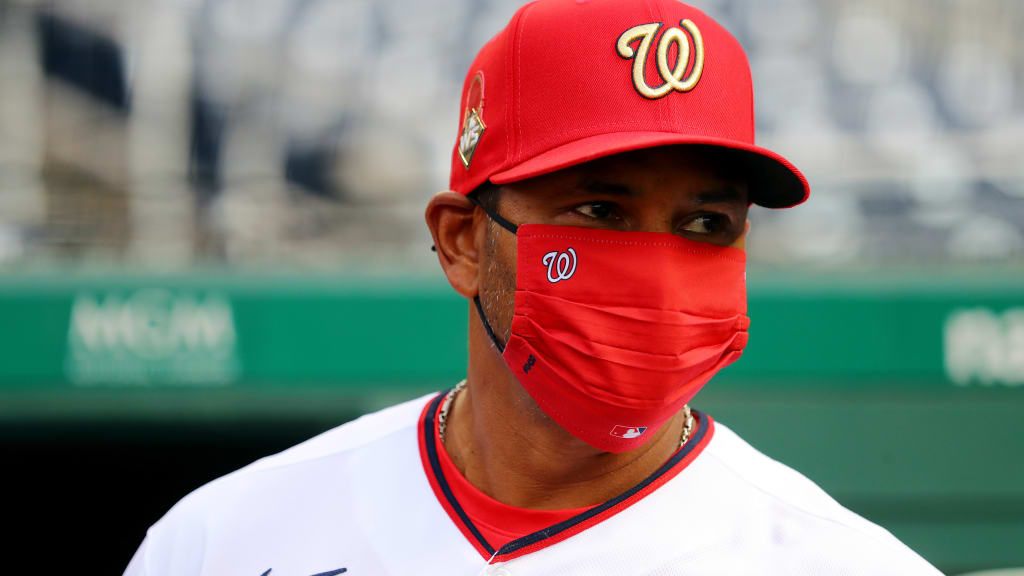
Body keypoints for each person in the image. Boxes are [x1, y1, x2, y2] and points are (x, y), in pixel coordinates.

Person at [125, 1, 942, 574]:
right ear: (462, 242)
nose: (658, 268)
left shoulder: (840, 562)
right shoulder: (225, 540)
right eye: (599, 211)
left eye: (705, 223)